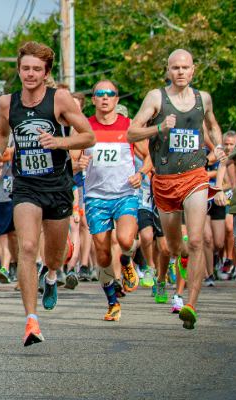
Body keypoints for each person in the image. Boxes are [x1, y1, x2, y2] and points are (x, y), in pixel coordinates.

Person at [0, 42, 95, 345]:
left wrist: (60, 144)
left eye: (37, 69)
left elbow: (88, 135)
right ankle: (31, 321)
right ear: (19, 69)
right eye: (25, 68)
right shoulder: (6, 103)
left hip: (57, 184)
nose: (30, 74)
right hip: (26, 185)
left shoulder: (59, 99)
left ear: (46, 72)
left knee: (55, 254)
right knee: (27, 247)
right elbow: (0, 131)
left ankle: (52, 275)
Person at [127, 49, 223, 330]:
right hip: (165, 180)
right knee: (171, 245)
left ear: (193, 70)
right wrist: (158, 129)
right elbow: (132, 132)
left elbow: (213, 126)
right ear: (168, 71)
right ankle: (161, 277)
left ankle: (190, 304)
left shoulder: (203, 98)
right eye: (175, 67)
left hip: (195, 176)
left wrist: (217, 146)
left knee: (196, 241)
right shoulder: (157, 98)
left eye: (185, 67)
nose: (181, 72)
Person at [78, 81, 148, 322]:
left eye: (110, 94)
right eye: (100, 94)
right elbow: (72, 157)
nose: (105, 98)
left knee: (126, 239)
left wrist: (141, 174)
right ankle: (112, 302)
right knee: (104, 255)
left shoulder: (129, 127)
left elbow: (149, 155)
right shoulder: (85, 127)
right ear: (94, 99)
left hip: (124, 193)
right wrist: (78, 164)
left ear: (117, 100)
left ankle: (127, 261)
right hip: (96, 197)